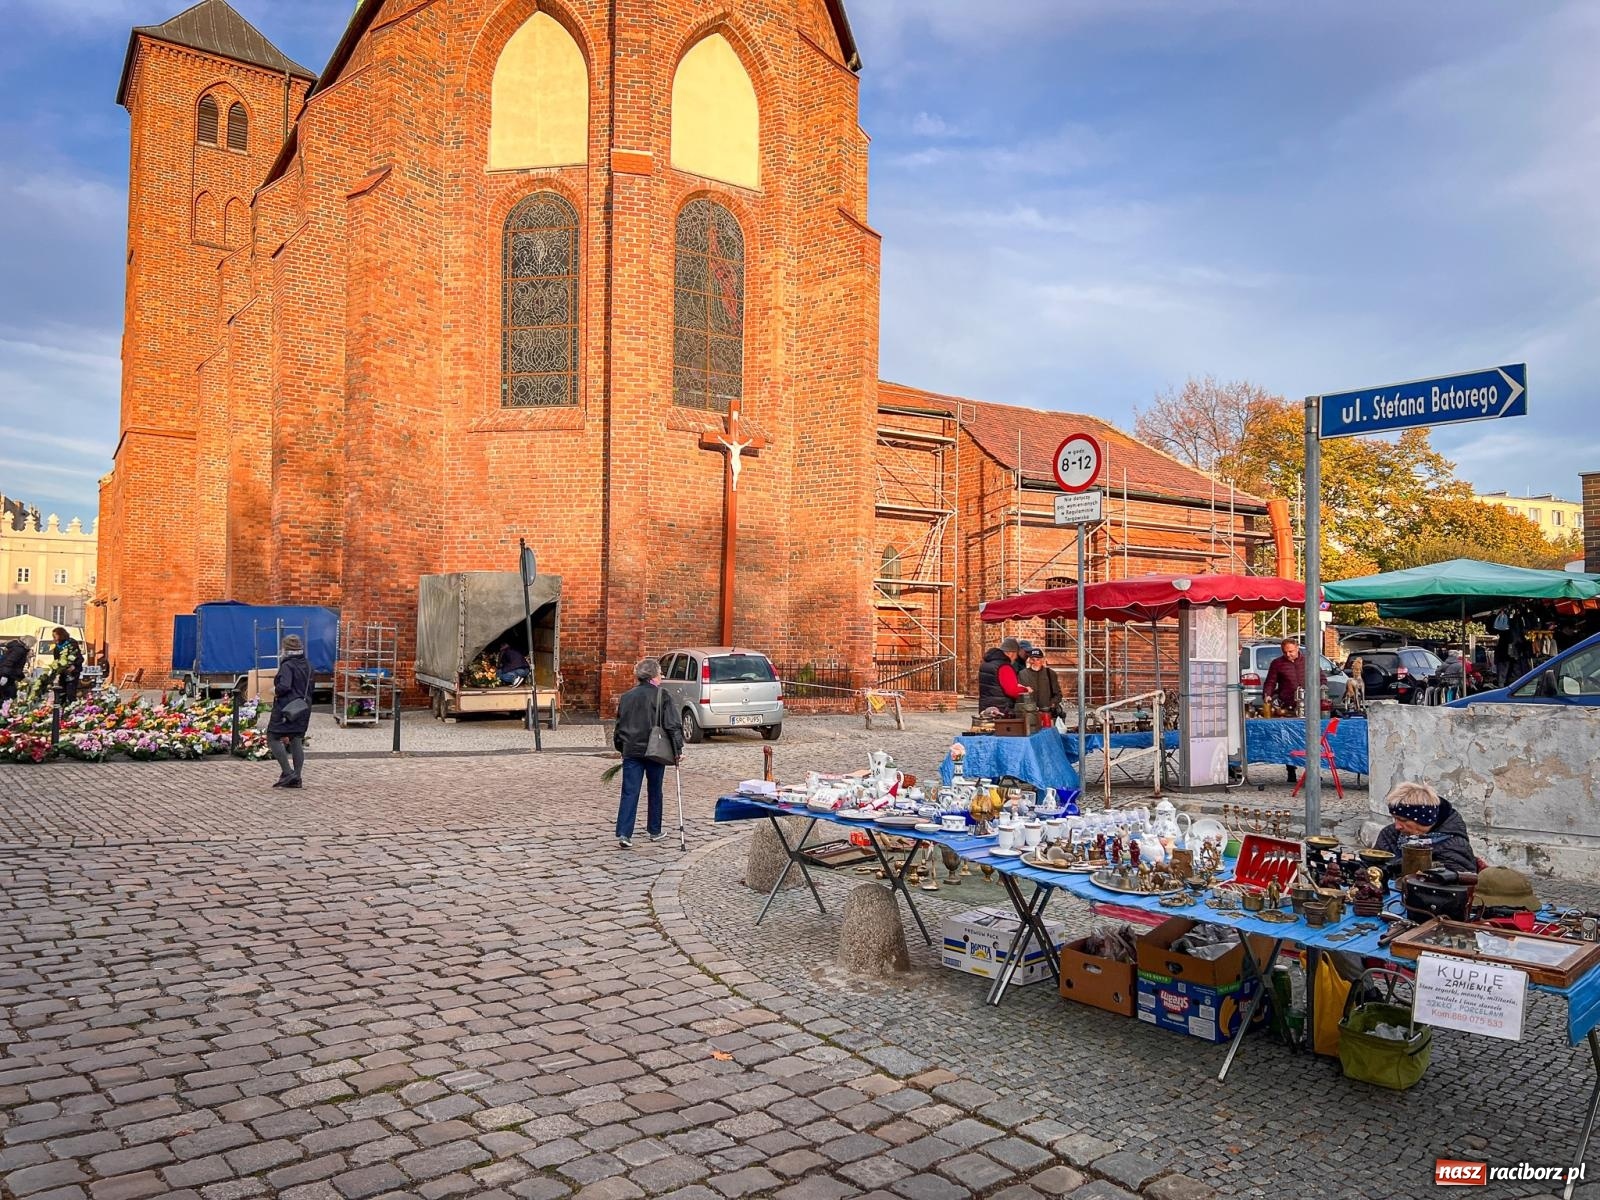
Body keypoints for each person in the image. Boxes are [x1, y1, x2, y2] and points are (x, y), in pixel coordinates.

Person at [612, 657, 684, 848]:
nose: (661, 676)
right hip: (655, 750)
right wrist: (678, 750)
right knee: (655, 791)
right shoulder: (663, 695)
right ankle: (654, 829)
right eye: (660, 673)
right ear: (653, 675)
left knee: (629, 792)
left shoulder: (627, 697)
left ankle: (624, 834)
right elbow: (672, 725)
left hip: (631, 750)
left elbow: (619, 726)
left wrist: (620, 747)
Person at [1370, 781, 1478, 875]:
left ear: (1424, 820)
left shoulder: (1455, 846)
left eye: (1403, 820)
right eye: (1395, 819)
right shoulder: (1390, 834)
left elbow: (1463, 884)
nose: (1397, 826)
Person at [1263, 639, 1314, 784]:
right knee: (1289, 739)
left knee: (1308, 739)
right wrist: (1267, 694)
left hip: (1309, 705)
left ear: (1297, 648)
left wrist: (1322, 687)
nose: (1288, 654)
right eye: (1285, 652)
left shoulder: (1309, 660)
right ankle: (1291, 770)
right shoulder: (1277, 663)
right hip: (1288, 706)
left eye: (1291, 651)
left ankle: (1310, 771)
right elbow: (1271, 682)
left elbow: (1320, 677)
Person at [267, 634, 314, 789]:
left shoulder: (287, 665)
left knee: (273, 736)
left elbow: (285, 686)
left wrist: (275, 690)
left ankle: (288, 773)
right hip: (303, 707)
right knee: (296, 739)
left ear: (285, 649)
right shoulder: (308, 664)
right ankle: (297, 778)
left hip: (286, 708)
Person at [977, 636, 1030, 717]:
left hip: (986, 707)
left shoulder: (986, 663)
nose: (1015, 658)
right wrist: (1025, 689)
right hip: (1000, 710)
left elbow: (995, 685)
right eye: (1016, 654)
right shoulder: (1005, 667)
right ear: (1011, 653)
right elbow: (1012, 691)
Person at [1017, 645, 1063, 728]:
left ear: (1042, 660)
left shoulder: (1050, 673)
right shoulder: (1022, 674)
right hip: (1029, 714)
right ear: (1029, 660)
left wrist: (1052, 703)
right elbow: (1019, 695)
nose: (1035, 662)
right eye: (1032, 659)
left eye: (1038, 659)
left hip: (1047, 714)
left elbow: (1058, 694)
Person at [50, 627, 84, 707]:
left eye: (55, 635)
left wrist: (74, 666)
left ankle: (72, 710)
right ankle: (62, 711)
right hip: (63, 673)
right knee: (62, 694)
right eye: (53, 636)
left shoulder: (71, 643)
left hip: (72, 672)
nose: (54, 637)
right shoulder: (56, 648)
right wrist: (55, 673)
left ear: (61, 635)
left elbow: (79, 658)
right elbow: (56, 661)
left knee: (70, 693)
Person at [0, 637, 28, 707]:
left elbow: (16, 667)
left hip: (8, 675)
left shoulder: (17, 649)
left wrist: (22, 678)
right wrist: (5, 675)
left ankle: (4, 711)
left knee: (8, 695)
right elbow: (9, 662)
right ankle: (4, 712)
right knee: (8, 696)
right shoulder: (19, 650)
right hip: (7, 676)